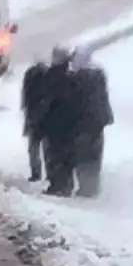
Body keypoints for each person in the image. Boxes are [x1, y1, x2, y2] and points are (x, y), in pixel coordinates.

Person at [37, 45, 83, 197]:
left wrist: (42, 120)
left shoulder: (53, 76)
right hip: (69, 125)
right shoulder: (71, 76)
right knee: (66, 156)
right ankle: (65, 184)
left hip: (55, 124)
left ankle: (57, 185)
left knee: (54, 155)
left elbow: (47, 100)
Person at [71, 46, 113, 197]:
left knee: (82, 155)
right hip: (97, 123)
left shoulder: (78, 78)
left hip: (83, 124)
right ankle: (93, 186)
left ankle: (85, 187)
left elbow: (75, 102)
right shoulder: (98, 74)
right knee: (95, 154)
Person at [20, 56, 50, 181]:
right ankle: (49, 174)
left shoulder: (30, 74)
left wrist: (25, 108)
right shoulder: (50, 75)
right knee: (47, 148)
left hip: (32, 115)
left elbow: (25, 94)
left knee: (33, 147)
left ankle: (36, 173)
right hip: (47, 116)